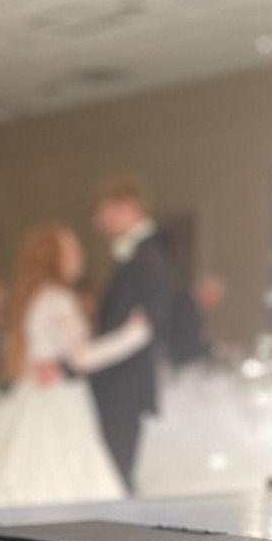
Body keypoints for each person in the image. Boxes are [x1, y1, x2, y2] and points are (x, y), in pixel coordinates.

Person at [0, 224, 147, 510]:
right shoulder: (56, 299)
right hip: (57, 400)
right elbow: (82, 358)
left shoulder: (38, 297)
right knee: (65, 476)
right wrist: (132, 336)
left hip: (42, 395)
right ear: (55, 258)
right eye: (72, 251)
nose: (80, 257)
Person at [83, 175, 174, 492]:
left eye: (104, 211)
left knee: (117, 472)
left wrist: (82, 360)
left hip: (123, 383)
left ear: (129, 207)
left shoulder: (148, 256)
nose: (98, 222)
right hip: (120, 381)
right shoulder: (143, 254)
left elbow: (141, 329)